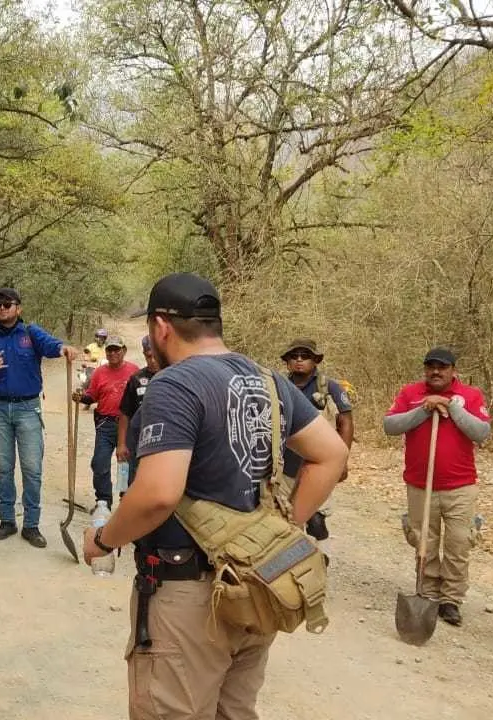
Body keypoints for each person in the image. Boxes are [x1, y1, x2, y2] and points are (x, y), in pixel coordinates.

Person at [81, 272, 347, 720]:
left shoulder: (174, 385)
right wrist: (283, 529)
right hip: (255, 588)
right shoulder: (269, 380)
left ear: (161, 327)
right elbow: (331, 455)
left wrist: (103, 539)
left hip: (189, 598)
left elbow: (158, 494)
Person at [0, 288, 79, 547]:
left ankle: (32, 525)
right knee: (4, 468)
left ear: (18, 308)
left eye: (7, 304)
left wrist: (64, 348)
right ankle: (6, 520)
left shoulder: (30, 333)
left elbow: (51, 345)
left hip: (28, 409)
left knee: (32, 469)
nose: (2, 308)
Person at [383, 346, 490, 627]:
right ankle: (429, 593)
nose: (436, 371)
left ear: (453, 370)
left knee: (458, 543)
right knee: (424, 542)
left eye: (442, 367)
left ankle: (451, 599)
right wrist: (424, 409)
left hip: (460, 486)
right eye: (431, 366)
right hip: (419, 484)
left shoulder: (471, 395)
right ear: (425, 369)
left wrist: (453, 408)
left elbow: (481, 433)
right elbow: (390, 426)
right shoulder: (410, 394)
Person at [278, 338, 354, 554]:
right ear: (287, 361)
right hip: (284, 465)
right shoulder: (279, 385)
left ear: (316, 360)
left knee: (316, 520)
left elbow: (345, 422)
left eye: (305, 356)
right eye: (294, 356)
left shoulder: (329, 387)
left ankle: (321, 561)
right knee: (284, 518)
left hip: (318, 464)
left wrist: (342, 460)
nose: (300, 360)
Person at [73, 336, 138, 509]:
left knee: (125, 465)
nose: (113, 353)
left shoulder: (134, 371)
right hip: (105, 424)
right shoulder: (99, 373)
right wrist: (80, 398)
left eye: (117, 349)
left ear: (124, 350)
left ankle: (125, 501)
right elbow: (91, 396)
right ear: (106, 352)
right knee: (99, 463)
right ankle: (103, 501)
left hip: (129, 426)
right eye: (110, 350)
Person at [116, 335, 160, 498]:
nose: (153, 360)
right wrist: (121, 444)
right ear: (144, 354)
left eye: (156, 355)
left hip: (162, 440)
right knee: (130, 482)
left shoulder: (173, 376)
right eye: (149, 356)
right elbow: (125, 413)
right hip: (136, 440)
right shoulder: (136, 379)